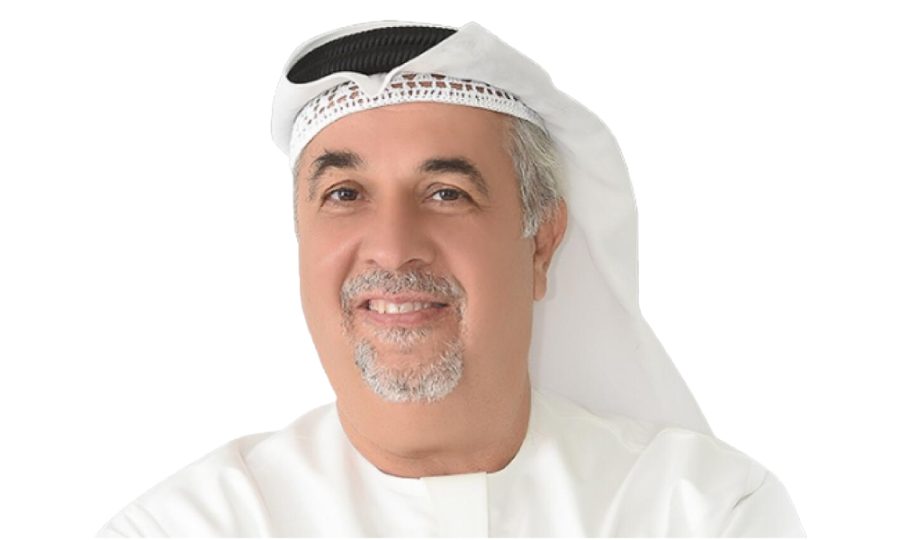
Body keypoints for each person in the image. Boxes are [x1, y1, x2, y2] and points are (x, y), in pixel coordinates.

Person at [97, 21, 805, 537]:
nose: (392, 248)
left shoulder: (703, 512)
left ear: (541, 242)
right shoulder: (182, 529)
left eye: (446, 193)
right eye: (345, 194)